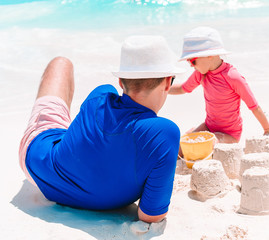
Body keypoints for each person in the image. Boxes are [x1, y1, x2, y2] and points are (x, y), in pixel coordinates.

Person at [18, 35, 184, 223]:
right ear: (168, 82)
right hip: (58, 169)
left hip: (40, 168)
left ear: (121, 81)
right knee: (61, 69)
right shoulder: (165, 134)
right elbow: (151, 216)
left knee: (61, 64)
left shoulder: (100, 95)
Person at [169, 27, 269, 143]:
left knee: (203, 145)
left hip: (230, 135)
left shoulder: (233, 77)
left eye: (192, 61)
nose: (191, 66)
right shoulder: (201, 74)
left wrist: (267, 130)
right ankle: (193, 133)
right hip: (209, 127)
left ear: (210, 55)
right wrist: (163, 88)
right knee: (182, 146)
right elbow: (183, 89)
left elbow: (254, 106)